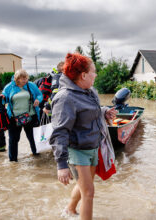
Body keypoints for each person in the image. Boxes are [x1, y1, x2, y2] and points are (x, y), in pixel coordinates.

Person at [49, 53, 117, 220]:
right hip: (77, 150)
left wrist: (104, 112)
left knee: (85, 186)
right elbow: (59, 133)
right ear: (83, 75)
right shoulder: (65, 98)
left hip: (92, 146)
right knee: (89, 192)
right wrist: (61, 165)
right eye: (93, 71)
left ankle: (69, 210)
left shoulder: (90, 91)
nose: (96, 74)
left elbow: (90, 112)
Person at [2, 69, 43, 162]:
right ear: (17, 78)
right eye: (22, 78)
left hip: (31, 116)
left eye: (26, 78)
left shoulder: (31, 85)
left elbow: (39, 95)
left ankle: (37, 157)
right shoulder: (9, 87)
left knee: (33, 138)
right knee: (13, 140)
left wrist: (38, 100)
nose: (25, 80)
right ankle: (13, 161)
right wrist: (2, 98)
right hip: (14, 118)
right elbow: (4, 98)